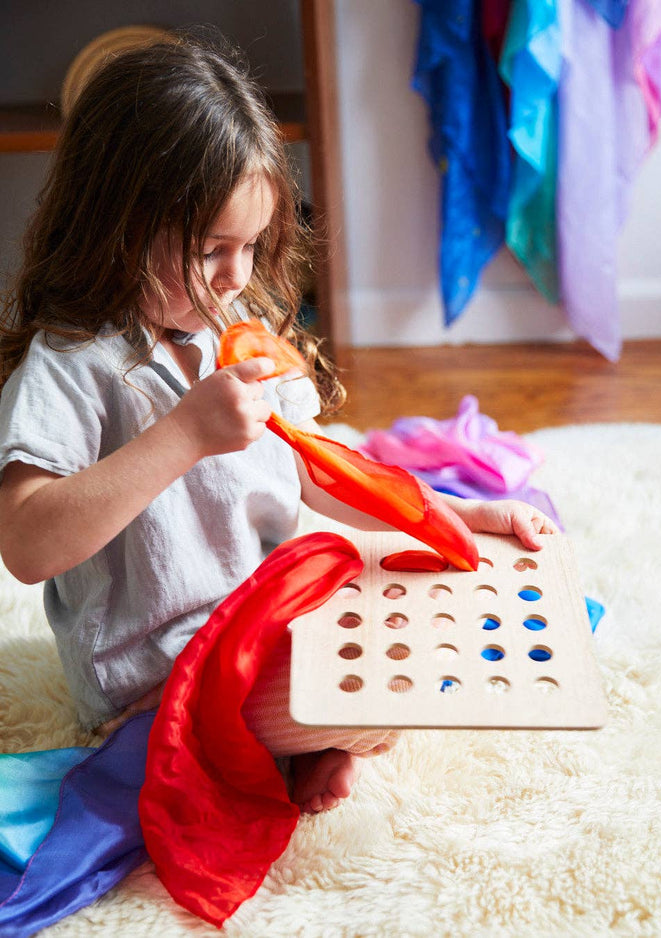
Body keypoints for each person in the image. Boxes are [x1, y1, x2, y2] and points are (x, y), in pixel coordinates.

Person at [0, 34, 557, 815]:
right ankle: (274, 744)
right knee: (375, 688)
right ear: (117, 225)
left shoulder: (233, 326)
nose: (235, 275)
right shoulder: (70, 364)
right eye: (209, 249)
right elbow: (26, 546)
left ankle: (295, 747)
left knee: (402, 614)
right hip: (154, 672)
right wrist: (183, 435)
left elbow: (321, 469)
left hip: (255, 615)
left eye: (252, 246)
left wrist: (452, 515)